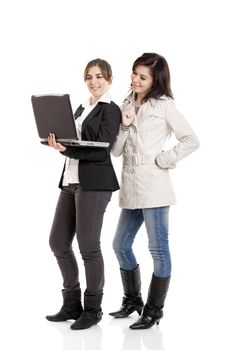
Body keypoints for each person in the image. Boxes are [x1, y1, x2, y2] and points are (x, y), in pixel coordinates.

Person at [109, 52, 200, 329]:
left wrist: (165, 158)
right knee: (120, 245)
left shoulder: (164, 105)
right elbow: (115, 150)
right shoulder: (126, 103)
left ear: (155, 80)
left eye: (142, 77)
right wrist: (124, 124)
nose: (135, 80)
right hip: (130, 184)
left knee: (158, 249)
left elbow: (191, 140)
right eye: (134, 74)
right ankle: (132, 300)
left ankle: (154, 310)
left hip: (154, 184)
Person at [45, 58, 121, 330]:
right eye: (89, 77)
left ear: (109, 79)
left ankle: (93, 309)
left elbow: (102, 148)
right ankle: (71, 304)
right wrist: (56, 141)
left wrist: (67, 150)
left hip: (95, 183)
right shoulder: (80, 108)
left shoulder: (111, 110)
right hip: (70, 180)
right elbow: (73, 141)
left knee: (88, 246)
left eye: (99, 76)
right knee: (58, 242)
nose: (94, 81)